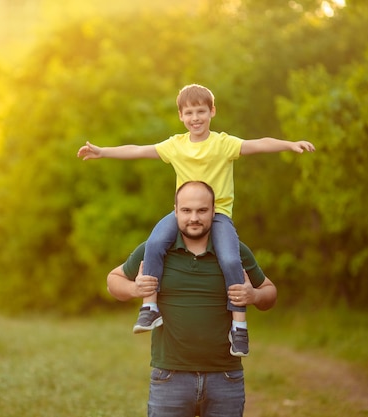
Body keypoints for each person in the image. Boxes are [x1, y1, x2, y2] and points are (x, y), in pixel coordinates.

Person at [78, 83, 313, 356]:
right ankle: (150, 308)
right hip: (183, 214)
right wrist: (103, 151)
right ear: (181, 116)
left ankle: (239, 326)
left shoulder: (223, 144)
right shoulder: (175, 146)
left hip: (218, 216)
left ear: (212, 111)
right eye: (189, 113)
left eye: (201, 111)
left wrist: (289, 144)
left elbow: (258, 144)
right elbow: (139, 150)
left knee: (229, 259)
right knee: (154, 244)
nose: (195, 118)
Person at [107, 181, 277, 417]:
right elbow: (113, 280)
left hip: (225, 377)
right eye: (186, 210)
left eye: (202, 210)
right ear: (175, 210)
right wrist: (135, 288)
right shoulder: (155, 250)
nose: (194, 218)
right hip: (170, 376)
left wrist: (255, 295)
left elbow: (270, 293)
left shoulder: (234, 252)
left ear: (214, 210)